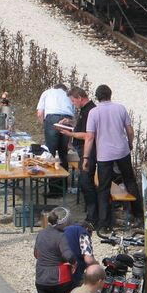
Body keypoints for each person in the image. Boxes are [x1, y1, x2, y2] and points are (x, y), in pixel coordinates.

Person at [83, 84, 144, 228]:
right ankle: (139, 216)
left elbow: (90, 137)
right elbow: (130, 131)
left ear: (97, 97)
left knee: (104, 188)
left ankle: (104, 223)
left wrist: (86, 157)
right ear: (110, 95)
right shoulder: (120, 108)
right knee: (130, 181)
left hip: (104, 154)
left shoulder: (94, 112)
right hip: (122, 151)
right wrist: (130, 144)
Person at [59, 86, 98, 226]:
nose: (73, 104)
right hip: (84, 150)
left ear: (80, 98)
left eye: (73, 101)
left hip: (88, 151)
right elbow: (84, 127)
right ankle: (91, 215)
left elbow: (88, 134)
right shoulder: (85, 110)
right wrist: (71, 123)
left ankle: (93, 217)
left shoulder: (90, 110)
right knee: (84, 182)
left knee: (86, 182)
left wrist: (71, 134)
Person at [34, 206, 77, 293]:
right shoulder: (60, 236)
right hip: (58, 279)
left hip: (41, 278)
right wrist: (74, 262)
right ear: (64, 222)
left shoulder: (41, 233)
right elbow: (69, 256)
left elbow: (36, 254)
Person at [37, 82, 76, 169]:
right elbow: (73, 115)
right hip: (67, 119)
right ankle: (63, 175)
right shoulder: (68, 95)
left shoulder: (47, 92)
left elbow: (40, 113)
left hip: (52, 118)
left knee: (51, 150)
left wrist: (45, 124)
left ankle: (51, 175)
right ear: (64, 89)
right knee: (63, 151)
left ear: (54, 88)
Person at [63, 219, 97, 285]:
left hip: (57, 270)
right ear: (87, 229)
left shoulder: (64, 230)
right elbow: (88, 259)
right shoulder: (83, 232)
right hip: (73, 270)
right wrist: (97, 265)